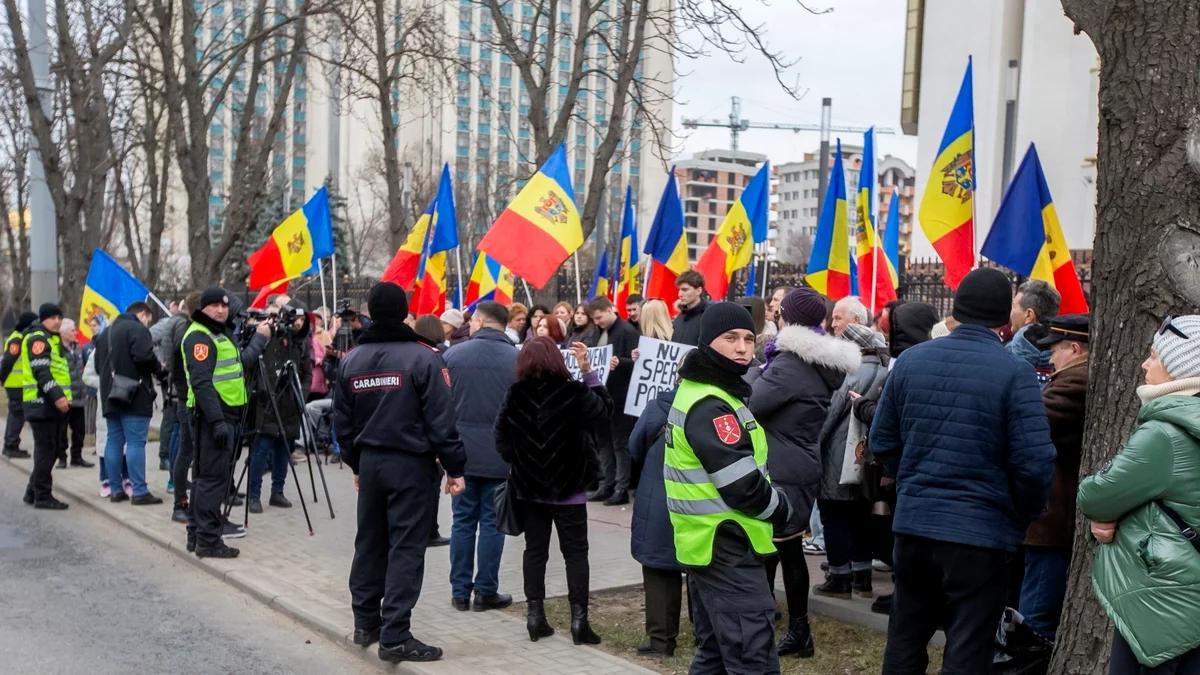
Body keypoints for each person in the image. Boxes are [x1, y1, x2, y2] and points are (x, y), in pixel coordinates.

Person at [870, 268, 1055, 674]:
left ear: (956, 309)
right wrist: (1020, 512)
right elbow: (1035, 462)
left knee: (906, 634)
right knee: (969, 644)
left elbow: (882, 441)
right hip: (981, 532)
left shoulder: (912, 361)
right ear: (1005, 319)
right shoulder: (1014, 373)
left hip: (917, 523)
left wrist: (915, 477)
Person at [333, 282, 466, 664]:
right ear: (404, 311)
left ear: (371, 313)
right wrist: (455, 468)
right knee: (407, 547)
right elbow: (443, 422)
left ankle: (365, 623)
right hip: (411, 465)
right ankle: (395, 635)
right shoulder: (425, 358)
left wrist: (357, 464)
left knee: (370, 543)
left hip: (372, 464)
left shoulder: (352, 360)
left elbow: (342, 425)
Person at [667, 302, 793, 674]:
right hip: (727, 544)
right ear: (708, 343)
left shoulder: (711, 392)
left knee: (717, 657)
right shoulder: (711, 404)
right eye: (730, 338)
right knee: (752, 659)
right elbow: (743, 487)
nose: (742, 347)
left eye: (748, 339)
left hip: (712, 545)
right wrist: (783, 510)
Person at [1079, 314, 1200, 673]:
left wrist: (1111, 515)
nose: (1145, 364)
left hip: (1162, 596)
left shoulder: (1164, 434)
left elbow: (1096, 496)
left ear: (1180, 367)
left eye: (1154, 356)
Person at [751, 288, 861, 659]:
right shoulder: (813, 361)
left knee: (776, 550)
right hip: (798, 464)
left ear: (785, 317)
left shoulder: (789, 364)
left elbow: (752, 404)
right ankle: (788, 627)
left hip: (783, 467)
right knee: (785, 549)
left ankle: (781, 628)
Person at [495, 337, 611, 646]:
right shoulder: (573, 392)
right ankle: (579, 623)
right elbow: (603, 413)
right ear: (557, 361)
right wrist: (589, 373)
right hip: (569, 490)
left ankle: (535, 618)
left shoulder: (515, 394)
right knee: (575, 554)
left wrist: (522, 460)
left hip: (530, 491)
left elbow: (502, 439)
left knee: (535, 552)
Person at [182, 289, 270, 558]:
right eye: (214, 306)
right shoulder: (200, 335)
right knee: (212, 480)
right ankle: (208, 541)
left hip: (222, 415)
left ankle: (197, 534)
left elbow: (238, 365)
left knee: (204, 478)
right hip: (213, 416)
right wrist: (217, 421)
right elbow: (201, 382)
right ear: (202, 308)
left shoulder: (218, 332)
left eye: (224, 305)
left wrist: (257, 341)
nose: (221, 310)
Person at [1018, 314, 1089, 643]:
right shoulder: (1071, 379)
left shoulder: (1076, 382)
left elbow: (1032, 424)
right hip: (1052, 515)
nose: (1049, 356)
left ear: (1075, 349)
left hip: (1053, 520)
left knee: (1035, 617)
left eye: (1055, 349)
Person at [443, 301, 517, 613]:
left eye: (473, 321)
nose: (469, 325)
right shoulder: (518, 358)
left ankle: (460, 592)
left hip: (461, 455)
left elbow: (441, 407)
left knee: (462, 522)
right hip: (501, 454)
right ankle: (485, 591)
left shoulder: (453, 356)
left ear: (483, 322)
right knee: (492, 523)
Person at [813, 323, 888, 601]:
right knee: (861, 517)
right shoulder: (885, 370)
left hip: (838, 455)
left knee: (833, 515)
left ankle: (839, 578)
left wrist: (813, 442)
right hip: (869, 458)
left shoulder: (849, 372)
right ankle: (862, 578)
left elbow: (830, 414)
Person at [629, 384, 683, 658]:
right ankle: (706, 636)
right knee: (704, 572)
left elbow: (634, 446)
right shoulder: (718, 407)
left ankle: (662, 641)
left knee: (660, 570)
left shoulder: (657, 407)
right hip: (703, 505)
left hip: (659, 499)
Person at [96, 301, 166, 505]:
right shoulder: (137, 329)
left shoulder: (105, 333)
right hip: (135, 394)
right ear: (143, 314)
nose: (148, 324)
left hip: (110, 394)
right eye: (149, 320)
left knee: (114, 440)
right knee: (136, 442)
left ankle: (116, 490)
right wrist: (159, 368)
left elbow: (98, 366)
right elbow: (144, 356)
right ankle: (139, 491)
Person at [247, 306, 311, 514]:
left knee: (284, 451)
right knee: (261, 450)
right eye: (295, 319)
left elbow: (307, 374)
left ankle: (278, 491)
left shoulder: (301, 344)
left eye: (301, 319)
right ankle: (254, 495)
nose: (298, 323)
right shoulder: (270, 338)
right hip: (267, 405)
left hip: (290, 407)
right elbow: (256, 366)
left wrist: (301, 395)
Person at [586, 297, 640, 506]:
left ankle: (621, 487)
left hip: (620, 397)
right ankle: (606, 484)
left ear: (610, 310)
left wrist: (621, 362)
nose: (597, 322)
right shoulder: (597, 332)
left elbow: (638, 361)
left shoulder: (627, 331)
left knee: (619, 444)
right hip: (601, 397)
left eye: (599, 317)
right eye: (595, 319)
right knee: (604, 443)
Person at [19, 303, 73, 510]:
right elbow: (41, 372)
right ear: (43, 319)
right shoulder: (38, 339)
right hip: (42, 403)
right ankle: (42, 495)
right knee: (46, 451)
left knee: (50, 449)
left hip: (49, 405)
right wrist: (58, 397)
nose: (57, 321)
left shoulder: (51, 338)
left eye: (59, 317)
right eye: (52, 318)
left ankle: (32, 491)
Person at [169, 291, 201, 522]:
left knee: (194, 453)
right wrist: (184, 396)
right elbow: (180, 372)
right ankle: (180, 503)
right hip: (188, 402)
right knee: (187, 452)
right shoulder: (188, 334)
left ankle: (198, 502)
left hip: (192, 400)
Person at [1, 310, 37, 459]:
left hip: (18, 384)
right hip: (15, 384)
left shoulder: (20, 337)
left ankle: (11, 444)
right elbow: (8, 361)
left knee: (17, 415)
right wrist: (2, 379)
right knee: (17, 415)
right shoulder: (17, 339)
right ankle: (10, 445)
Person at [57, 319, 93, 469]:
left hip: (79, 397)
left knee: (79, 430)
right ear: (63, 332)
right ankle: (62, 458)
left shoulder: (78, 347)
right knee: (61, 431)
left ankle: (76, 457)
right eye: (72, 330)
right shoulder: (57, 349)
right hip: (64, 398)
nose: (75, 333)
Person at [1008, 279, 1061, 372]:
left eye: (1013, 306)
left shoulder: (1006, 355)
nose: (1010, 312)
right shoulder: (1067, 358)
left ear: (1029, 315)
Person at [671, 270, 708, 346]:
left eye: (685, 290)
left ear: (698, 291)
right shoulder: (679, 318)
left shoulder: (709, 317)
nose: (680, 294)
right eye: (679, 290)